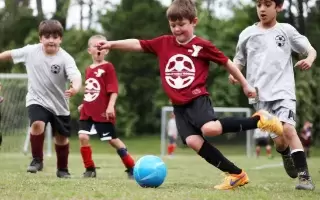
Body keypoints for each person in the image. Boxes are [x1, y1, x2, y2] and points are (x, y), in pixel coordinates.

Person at [97, 0, 283, 190]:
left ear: (194, 21)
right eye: (173, 25)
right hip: (179, 106)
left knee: (209, 129)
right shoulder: (163, 43)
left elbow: (226, 62)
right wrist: (112, 44)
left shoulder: (202, 46)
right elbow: (138, 43)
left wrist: (245, 84)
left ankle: (259, 120)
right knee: (193, 142)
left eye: (181, 24)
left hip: (197, 98)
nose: (177, 29)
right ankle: (236, 174)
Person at [229, 0, 317, 190]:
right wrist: (234, 73)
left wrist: (309, 59)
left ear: (278, 7)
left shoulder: (286, 30)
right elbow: (238, 60)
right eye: (259, 4)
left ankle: (305, 178)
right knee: (279, 141)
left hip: (283, 91)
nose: (262, 9)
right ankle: (285, 153)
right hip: (260, 97)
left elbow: (310, 49)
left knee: (288, 130)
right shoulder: (247, 34)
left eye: (267, 4)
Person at [0, 19, 82, 178]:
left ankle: (62, 169)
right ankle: (37, 160)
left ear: (60, 39)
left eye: (55, 36)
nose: (51, 40)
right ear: (41, 38)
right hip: (36, 100)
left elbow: (76, 76)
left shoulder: (66, 58)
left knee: (61, 138)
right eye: (47, 36)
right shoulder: (31, 51)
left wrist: (75, 88)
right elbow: (9, 54)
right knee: (37, 124)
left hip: (59, 104)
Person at [78, 35, 135, 178]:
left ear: (106, 50)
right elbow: (91, 90)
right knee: (83, 136)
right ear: (89, 50)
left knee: (112, 140)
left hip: (103, 112)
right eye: (95, 46)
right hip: (88, 111)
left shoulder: (108, 67)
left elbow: (113, 89)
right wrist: (84, 103)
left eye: (101, 46)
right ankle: (90, 169)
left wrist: (110, 106)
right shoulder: (88, 69)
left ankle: (131, 167)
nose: (98, 49)